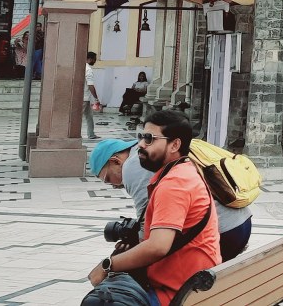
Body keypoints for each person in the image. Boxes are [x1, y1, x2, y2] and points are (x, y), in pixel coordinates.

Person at [87, 110, 220, 306]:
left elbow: (157, 247)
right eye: (141, 137)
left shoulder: (174, 184)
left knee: (101, 301)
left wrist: (108, 265)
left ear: (175, 145)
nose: (141, 144)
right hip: (193, 285)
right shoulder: (184, 171)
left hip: (179, 293)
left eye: (150, 139)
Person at [89, 138, 254, 262]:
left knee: (153, 269)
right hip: (239, 222)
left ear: (115, 161)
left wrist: (129, 253)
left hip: (222, 232)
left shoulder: (134, 165)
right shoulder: (152, 149)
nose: (114, 186)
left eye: (108, 179)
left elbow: (146, 226)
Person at [84, 51, 100, 140]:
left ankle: (91, 134)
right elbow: (90, 85)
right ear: (90, 59)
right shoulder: (88, 69)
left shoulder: (83, 67)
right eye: (94, 59)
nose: (95, 61)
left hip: (86, 97)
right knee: (78, 118)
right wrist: (96, 98)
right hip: (84, 97)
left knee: (89, 116)